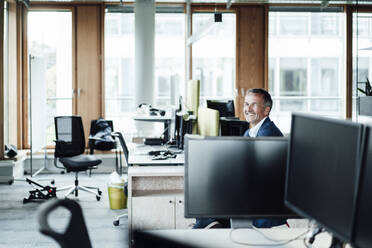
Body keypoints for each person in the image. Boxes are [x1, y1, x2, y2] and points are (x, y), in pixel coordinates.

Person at [193, 88, 286, 229]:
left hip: (262, 208)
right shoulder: (250, 131)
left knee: (207, 203)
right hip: (250, 196)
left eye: (254, 104)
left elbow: (253, 177)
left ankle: (210, 225)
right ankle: (210, 225)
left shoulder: (268, 135)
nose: (248, 109)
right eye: (246, 104)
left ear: (266, 111)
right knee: (207, 200)